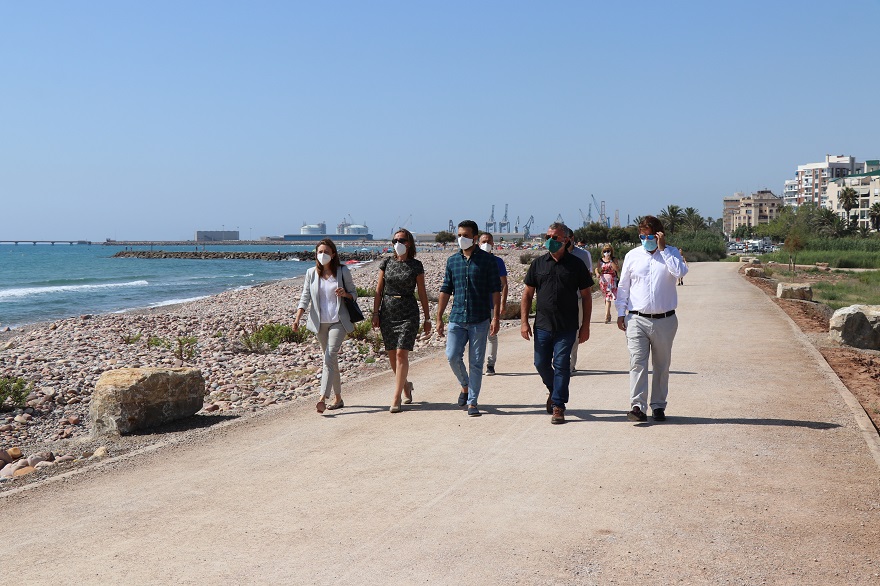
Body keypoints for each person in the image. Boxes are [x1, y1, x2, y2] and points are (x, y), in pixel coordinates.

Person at [616, 215, 688, 423]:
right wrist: (621, 312)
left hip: (665, 320)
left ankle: (658, 405)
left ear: (658, 235)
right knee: (637, 363)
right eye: (642, 235)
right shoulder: (632, 256)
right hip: (637, 318)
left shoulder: (671, 253)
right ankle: (637, 406)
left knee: (661, 365)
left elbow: (680, 272)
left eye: (649, 235)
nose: (645, 239)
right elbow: (623, 287)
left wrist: (663, 249)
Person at [521, 222, 593, 424]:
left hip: (567, 326)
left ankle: (558, 406)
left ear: (566, 240)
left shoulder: (576, 265)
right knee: (540, 363)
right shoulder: (538, 264)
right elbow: (527, 294)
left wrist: (585, 326)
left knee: (561, 365)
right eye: (547, 237)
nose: (550, 241)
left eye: (555, 237)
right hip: (542, 325)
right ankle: (554, 391)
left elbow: (587, 297)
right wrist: (524, 322)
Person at [436, 220, 501, 417]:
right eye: (458, 235)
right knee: (452, 355)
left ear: (474, 237)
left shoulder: (488, 261)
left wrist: (495, 317)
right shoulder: (452, 261)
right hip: (457, 318)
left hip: (480, 318)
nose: (461, 239)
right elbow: (446, 289)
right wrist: (439, 317)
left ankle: (473, 402)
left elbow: (495, 291)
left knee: (476, 362)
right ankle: (465, 385)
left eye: (465, 235)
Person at [293, 239, 358, 414]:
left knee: (329, 357)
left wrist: (345, 294)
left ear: (333, 254)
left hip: (339, 320)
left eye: (326, 252)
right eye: (320, 251)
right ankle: (338, 398)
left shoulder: (342, 271)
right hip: (319, 322)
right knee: (331, 361)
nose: (323, 255)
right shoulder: (311, 273)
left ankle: (322, 397)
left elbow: (354, 293)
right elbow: (305, 296)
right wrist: (298, 318)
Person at [372, 229, 432, 413]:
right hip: (388, 312)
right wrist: (375, 313)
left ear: (409, 243)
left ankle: (396, 397)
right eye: (394, 240)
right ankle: (406, 385)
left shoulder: (416, 265)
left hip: (408, 312)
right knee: (391, 355)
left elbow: (422, 292)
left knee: (401, 354)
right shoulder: (387, 263)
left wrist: (428, 317)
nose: (397, 243)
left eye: (401, 240)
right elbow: (378, 290)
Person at [478, 232, 508, 376]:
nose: (486, 244)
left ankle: (490, 365)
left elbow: (504, 284)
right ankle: (477, 364)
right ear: (478, 243)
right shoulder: (474, 261)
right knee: (477, 337)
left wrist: (503, 303)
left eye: (489, 241)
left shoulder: (498, 262)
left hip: (492, 305)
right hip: (477, 304)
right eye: (484, 241)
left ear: (493, 244)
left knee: (492, 335)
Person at [566, 229, 593, 374]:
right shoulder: (555, 254)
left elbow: (587, 279)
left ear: (572, 238)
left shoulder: (583, 255)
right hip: (559, 301)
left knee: (574, 332)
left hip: (577, 299)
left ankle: (570, 363)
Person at [595, 244, 620, 324]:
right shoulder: (601, 260)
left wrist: (610, 261)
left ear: (611, 251)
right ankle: (608, 314)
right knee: (606, 297)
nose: (606, 252)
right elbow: (597, 268)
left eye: (608, 251)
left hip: (612, 280)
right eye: (605, 251)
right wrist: (597, 273)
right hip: (603, 280)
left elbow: (616, 269)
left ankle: (606, 315)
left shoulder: (614, 259)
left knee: (608, 297)